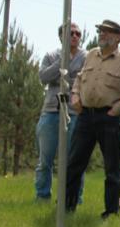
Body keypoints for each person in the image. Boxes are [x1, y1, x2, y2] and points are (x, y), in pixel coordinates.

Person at [64, 19, 120, 218]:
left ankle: (111, 211)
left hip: (109, 118)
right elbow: (79, 79)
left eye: (107, 31)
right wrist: (75, 96)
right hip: (85, 117)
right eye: (100, 31)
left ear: (118, 37)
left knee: (112, 168)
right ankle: (66, 208)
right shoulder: (91, 54)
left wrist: (116, 109)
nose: (102, 34)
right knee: (74, 164)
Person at [34, 22, 85, 202]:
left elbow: (82, 81)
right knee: (45, 160)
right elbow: (44, 77)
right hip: (51, 112)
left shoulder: (86, 57)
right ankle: (42, 196)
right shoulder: (51, 56)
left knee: (74, 159)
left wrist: (64, 79)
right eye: (71, 33)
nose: (75, 36)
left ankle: (72, 198)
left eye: (78, 33)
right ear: (61, 36)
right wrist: (62, 61)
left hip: (74, 113)